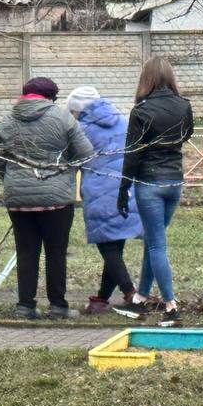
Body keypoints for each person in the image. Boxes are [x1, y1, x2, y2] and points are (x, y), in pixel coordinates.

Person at [0, 76, 93, 320]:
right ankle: (58, 306)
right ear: (51, 97)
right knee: (55, 252)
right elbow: (86, 153)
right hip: (56, 199)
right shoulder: (63, 118)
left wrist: (12, 180)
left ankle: (25, 306)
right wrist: (66, 170)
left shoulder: (7, 120)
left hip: (18, 199)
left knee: (26, 251)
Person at [118, 56, 193, 326]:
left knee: (157, 245)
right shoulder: (184, 106)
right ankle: (141, 297)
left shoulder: (141, 111)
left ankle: (171, 306)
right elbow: (186, 135)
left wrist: (123, 189)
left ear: (146, 78)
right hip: (175, 182)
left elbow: (131, 154)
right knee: (153, 240)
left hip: (149, 183)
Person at [66, 85, 147, 315]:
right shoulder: (121, 120)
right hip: (126, 189)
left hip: (100, 190)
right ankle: (101, 300)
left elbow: (72, 160)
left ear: (77, 110)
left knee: (107, 245)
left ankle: (131, 294)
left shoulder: (82, 128)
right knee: (113, 245)